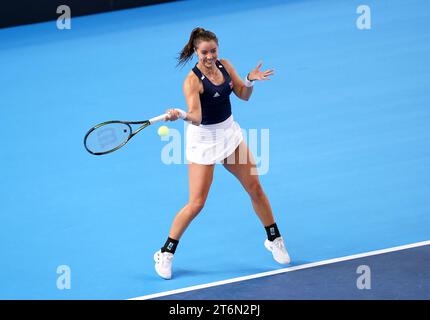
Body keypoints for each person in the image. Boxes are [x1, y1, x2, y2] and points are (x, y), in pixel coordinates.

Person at [154, 27, 290, 280]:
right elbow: (196, 116)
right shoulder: (192, 81)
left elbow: (243, 95)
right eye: (204, 52)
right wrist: (180, 114)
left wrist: (250, 79)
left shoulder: (225, 65)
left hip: (229, 135)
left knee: (255, 187)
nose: (209, 56)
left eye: (213, 51)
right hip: (203, 141)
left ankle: (274, 238)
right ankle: (165, 251)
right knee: (196, 203)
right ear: (196, 52)